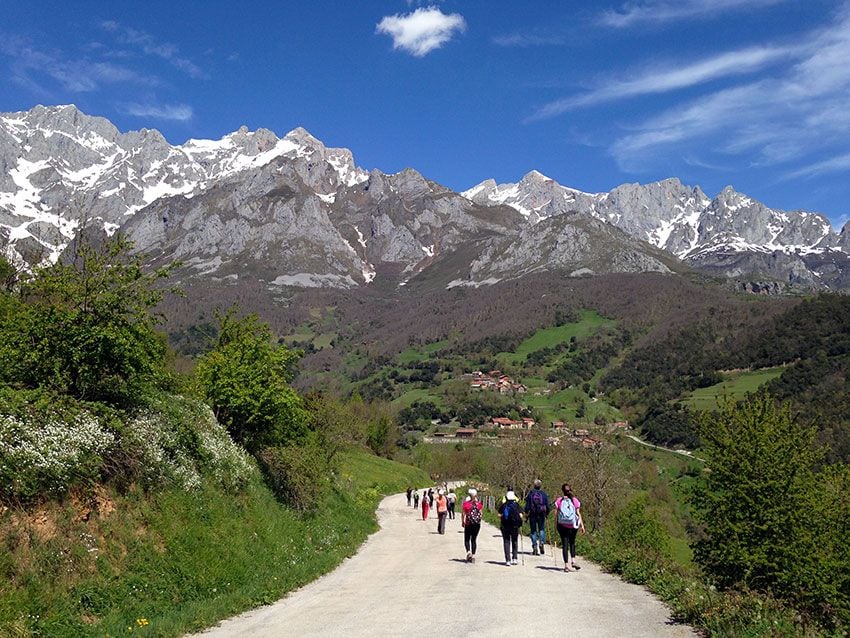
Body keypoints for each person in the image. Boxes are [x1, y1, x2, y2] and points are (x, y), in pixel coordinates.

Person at [553, 483, 585, 572]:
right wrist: (582, 525)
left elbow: (555, 514)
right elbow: (578, 513)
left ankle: (566, 565)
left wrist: (555, 524)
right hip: (572, 525)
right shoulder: (574, 500)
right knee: (572, 542)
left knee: (565, 544)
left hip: (562, 525)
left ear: (562, 491)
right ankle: (573, 561)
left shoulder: (559, 500)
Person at [497, 490, 523, 566]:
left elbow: (498, 515)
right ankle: (515, 558)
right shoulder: (517, 505)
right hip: (515, 526)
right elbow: (521, 515)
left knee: (506, 542)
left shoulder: (504, 505)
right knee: (515, 541)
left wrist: (502, 517)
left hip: (505, 526)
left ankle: (508, 560)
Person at [524, 479, 550, 556]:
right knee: (541, 529)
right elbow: (547, 505)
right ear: (540, 486)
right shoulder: (543, 494)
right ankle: (541, 543)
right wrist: (547, 513)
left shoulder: (530, 494)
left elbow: (527, 506)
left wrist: (526, 513)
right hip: (541, 514)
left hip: (532, 514)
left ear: (534, 485)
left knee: (533, 531)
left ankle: (534, 546)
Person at [461, 488, 483, 563]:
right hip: (477, 524)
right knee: (473, 540)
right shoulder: (479, 504)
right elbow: (481, 514)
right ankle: (473, 555)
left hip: (468, 523)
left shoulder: (466, 504)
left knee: (467, 539)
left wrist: (462, 522)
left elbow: (463, 514)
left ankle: (468, 552)